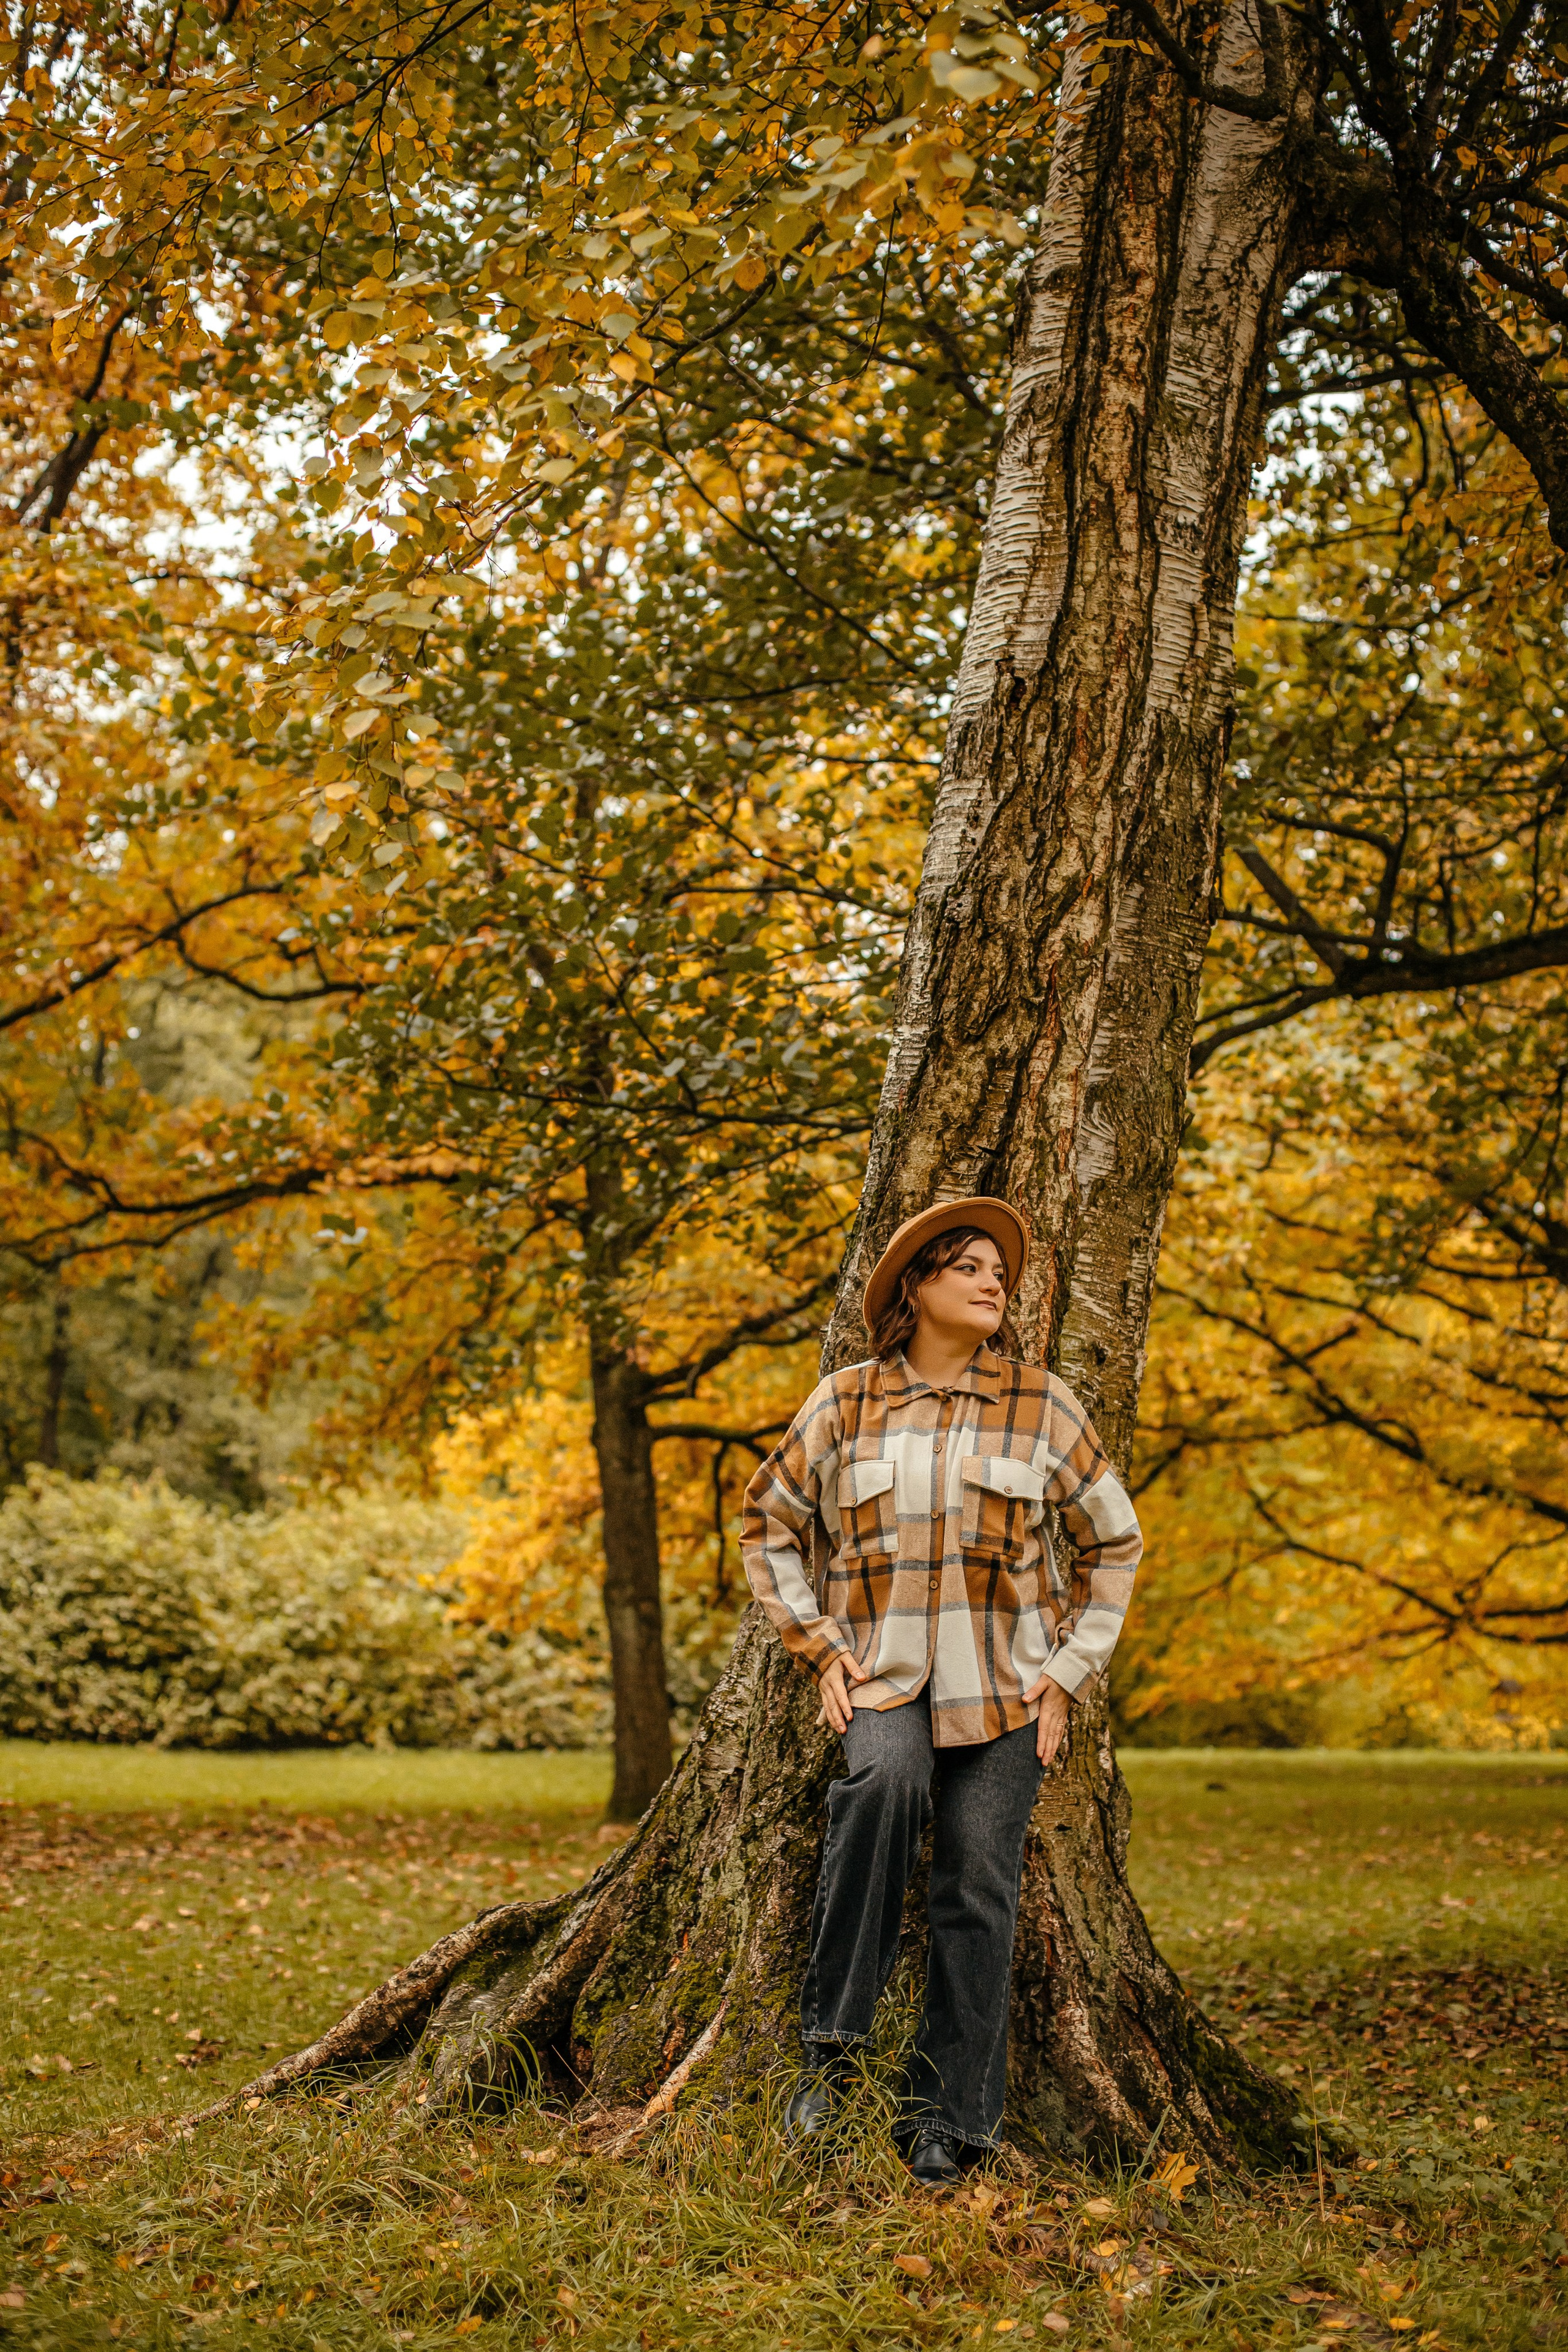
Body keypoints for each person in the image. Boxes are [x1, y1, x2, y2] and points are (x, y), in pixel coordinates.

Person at [741, 1197, 1143, 2184]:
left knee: (977, 1880)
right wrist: (823, 1650)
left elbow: (1114, 1541)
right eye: (967, 1266)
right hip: (883, 1679)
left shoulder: (1042, 1404)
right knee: (881, 1792)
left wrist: (1065, 1675)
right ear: (915, 1287)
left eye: (998, 1270)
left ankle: (951, 2117)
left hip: (1006, 1690)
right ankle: (828, 2060)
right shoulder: (845, 1401)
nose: (993, 1281)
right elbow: (769, 1525)